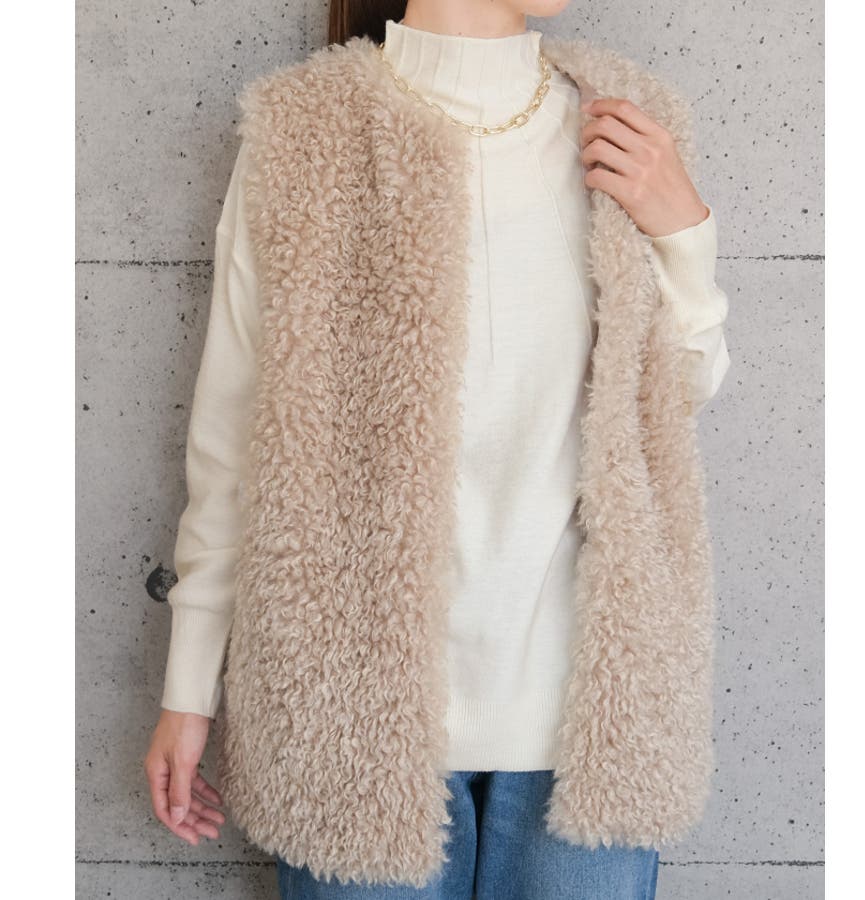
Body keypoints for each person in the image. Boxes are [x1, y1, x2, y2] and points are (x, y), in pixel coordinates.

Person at [143, 1, 731, 897]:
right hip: (352, 718)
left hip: (594, 722)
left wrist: (684, 230)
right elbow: (232, 443)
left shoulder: (627, 125)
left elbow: (677, 396)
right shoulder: (303, 135)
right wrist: (189, 689)